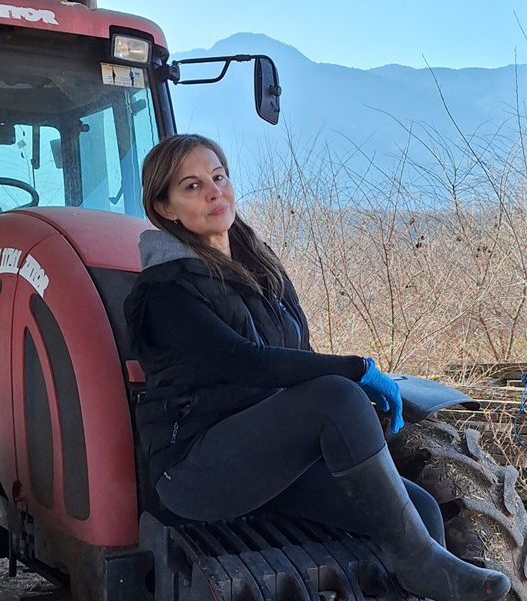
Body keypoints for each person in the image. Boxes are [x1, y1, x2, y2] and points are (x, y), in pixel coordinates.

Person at [123, 134, 510, 601]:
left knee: (422, 511)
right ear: (165, 208)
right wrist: (356, 370)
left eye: (219, 176)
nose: (213, 191)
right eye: (192, 186)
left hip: (271, 462)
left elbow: (297, 354)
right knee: (334, 396)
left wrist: (356, 421)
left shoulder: (261, 269)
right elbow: (244, 363)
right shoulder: (166, 291)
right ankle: (421, 566)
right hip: (197, 471)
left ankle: (421, 577)